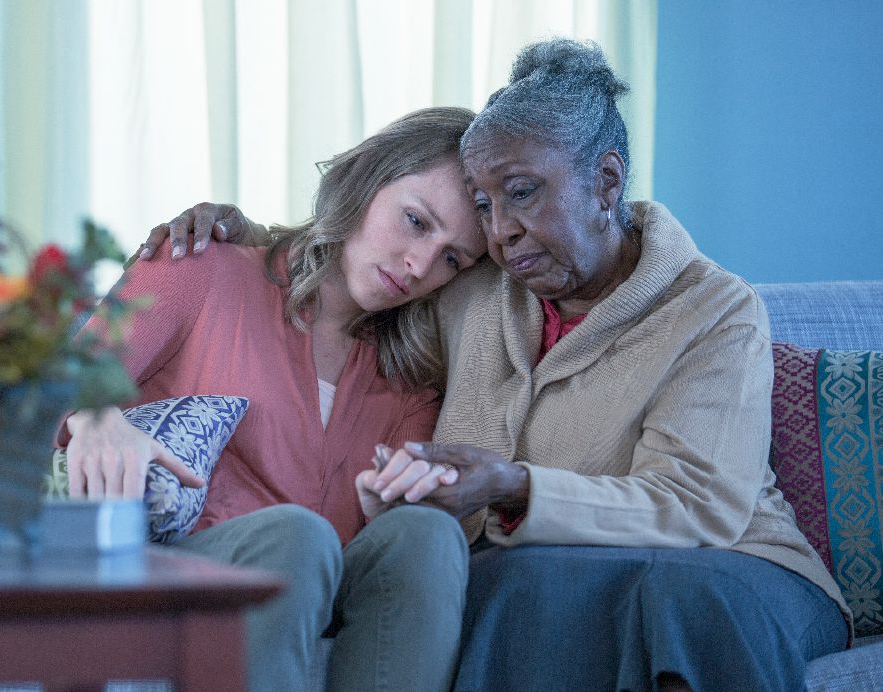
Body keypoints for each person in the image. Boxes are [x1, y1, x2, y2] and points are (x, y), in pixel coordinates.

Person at [143, 40, 851, 690]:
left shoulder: (715, 311)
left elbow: (702, 508)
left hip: (739, 566)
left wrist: (512, 488)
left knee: (676, 598)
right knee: (500, 585)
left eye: (522, 193)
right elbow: (360, 259)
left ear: (606, 182)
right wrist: (234, 231)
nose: (500, 231)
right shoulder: (473, 287)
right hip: (548, 573)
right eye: (484, 205)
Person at [62, 107, 488, 692]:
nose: (420, 265)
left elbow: (375, 554)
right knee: (296, 533)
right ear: (364, 178)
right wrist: (96, 413)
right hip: (176, 568)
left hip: (325, 578)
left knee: (429, 534)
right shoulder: (203, 266)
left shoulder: (412, 377)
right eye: (415, 220)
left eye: (451, 259)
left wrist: (383, 511)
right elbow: (41, 387)